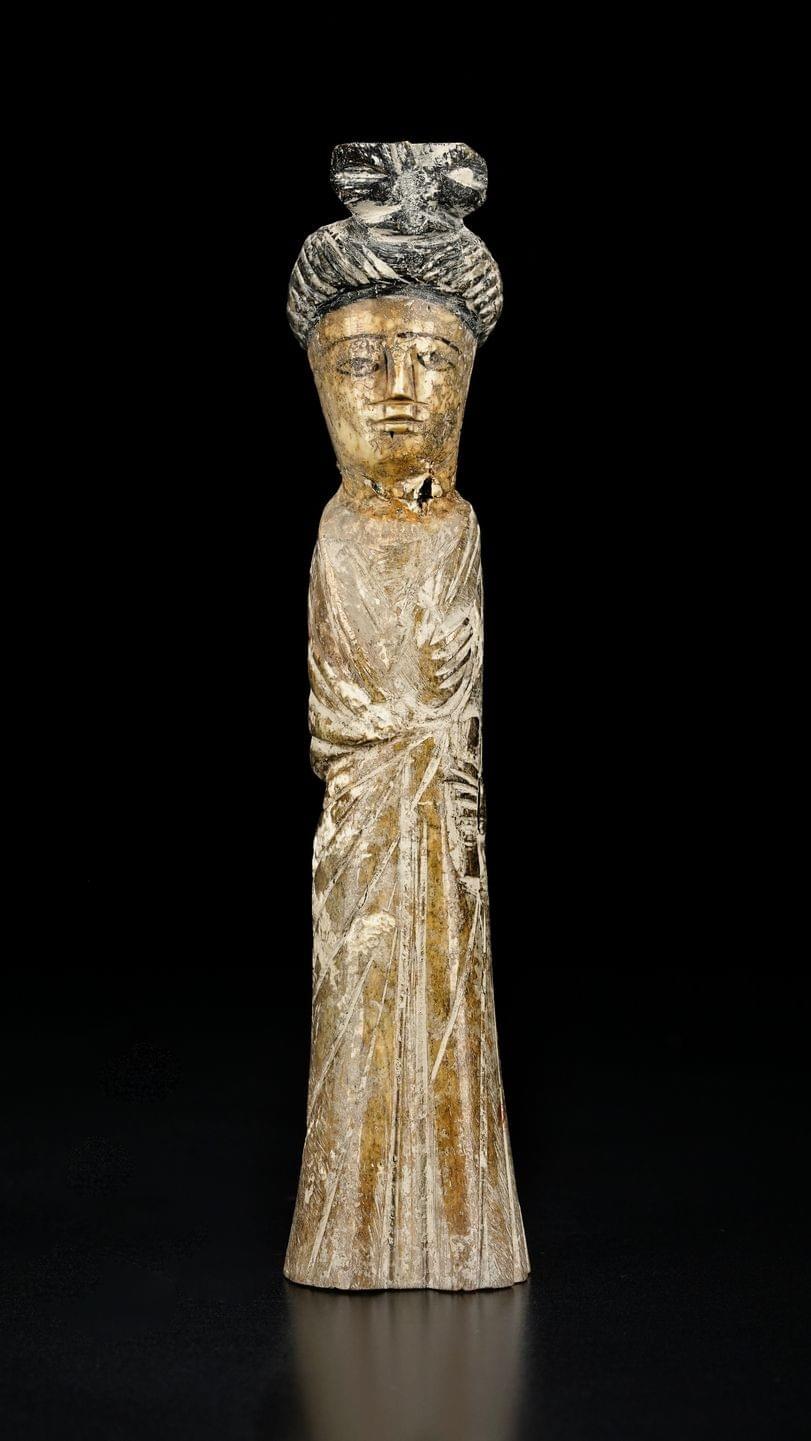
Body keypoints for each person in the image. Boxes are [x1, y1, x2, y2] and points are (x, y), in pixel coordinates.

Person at [283, 142, 530, 1291]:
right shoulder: (338, 530)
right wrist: (397, 752)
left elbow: (450, 712)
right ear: (320, 384)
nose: (396, 388)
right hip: (367, 829)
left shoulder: (457, 528)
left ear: (465, 384)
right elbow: (344, 719)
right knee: (358, 1001)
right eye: (361, 361)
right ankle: (343, 1231)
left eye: (431, 359)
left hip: (442, 831)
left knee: (448, 1012)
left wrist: (439, 774)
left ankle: (466, 1227)